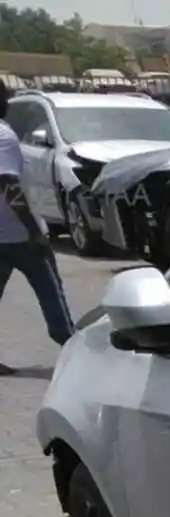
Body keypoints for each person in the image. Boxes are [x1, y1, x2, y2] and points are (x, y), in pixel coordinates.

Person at [0, 80, 73, 374]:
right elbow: (7, 185)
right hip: (20, 236)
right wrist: (33, 230)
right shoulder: (3, 136)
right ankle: (74, 351)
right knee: (52, 297)